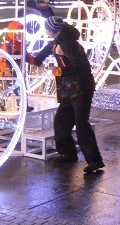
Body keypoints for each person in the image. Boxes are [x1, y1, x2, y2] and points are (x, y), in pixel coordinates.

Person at [26, 16, 104, 173]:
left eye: (47, 28)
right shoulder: (55, 42)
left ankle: (95, 161)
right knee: (61, 121)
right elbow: (38, 60)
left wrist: (60, 71)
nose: (45, 31)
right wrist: (21, 54)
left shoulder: (68, 42)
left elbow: (82, 65)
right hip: (69, 87)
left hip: (81, 86)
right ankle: (68, 153)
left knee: (81, 123)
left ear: (53, 30)